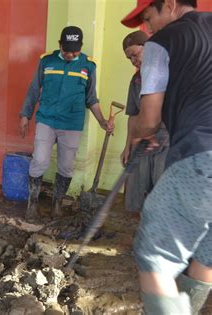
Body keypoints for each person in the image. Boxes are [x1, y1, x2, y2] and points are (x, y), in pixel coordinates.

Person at [121, 0, 212, 313]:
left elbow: (148, 118)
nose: (148, 29)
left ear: (170, 5)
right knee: (205, 254)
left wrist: (137, 136)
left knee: (154, 254)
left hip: (200, 155)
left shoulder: (162, 42)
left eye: (149, 18)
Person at [19, 26, 113, 221]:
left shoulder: (88, 66)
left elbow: (91, 98)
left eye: (75, 50)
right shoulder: (47, 61)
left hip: (71, 123)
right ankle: (33, 203)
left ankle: (57, 203)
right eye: (67, 49)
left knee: (66, 166)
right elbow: (34, 89)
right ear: (60, 45)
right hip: (46, 119)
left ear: (81, 47)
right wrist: (25, 115)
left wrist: (103, 121)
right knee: (40, 161)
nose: (70, 54)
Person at [121, 30, 169, 213]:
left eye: (135, 54)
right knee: (136, 191)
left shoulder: (167, 72)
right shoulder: (136, 80)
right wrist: (128, 147)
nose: (133, 61)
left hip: (167, 143)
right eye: (129, 58)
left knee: (163, 194)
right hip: (142, 144)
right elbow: (133, 115)